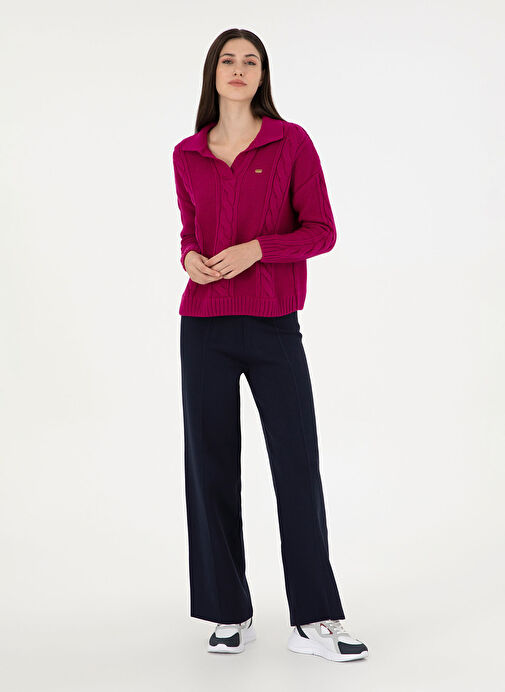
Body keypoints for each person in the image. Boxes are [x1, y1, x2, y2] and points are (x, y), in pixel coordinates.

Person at [172, 28, 368, 663]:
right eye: (228, 60)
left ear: (262, 75)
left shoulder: (291, 142)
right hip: (204, 325)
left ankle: (314, 618)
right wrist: (190, 257)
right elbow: (189, 231)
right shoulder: (187, 153)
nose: (238, 68)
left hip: (273, 322)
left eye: (250, 61)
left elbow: (322, 231)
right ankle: (229, 612)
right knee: (209, 467)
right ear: (213, 73)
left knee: (296, 463)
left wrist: (258, 249)